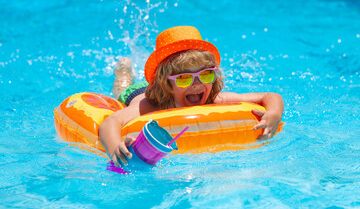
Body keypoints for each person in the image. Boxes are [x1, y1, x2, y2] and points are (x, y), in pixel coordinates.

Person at [99, 26, 284, 166]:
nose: (197, 84)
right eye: (185, 78)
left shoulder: (215, 99)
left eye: (205, 75)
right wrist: (115, 146)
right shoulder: (150, 106)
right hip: (138, 93)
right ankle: (124, 72)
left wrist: (274, 114)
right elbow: (110, 122)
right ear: (167, 83)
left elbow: (269, 96)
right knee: (121, 88)